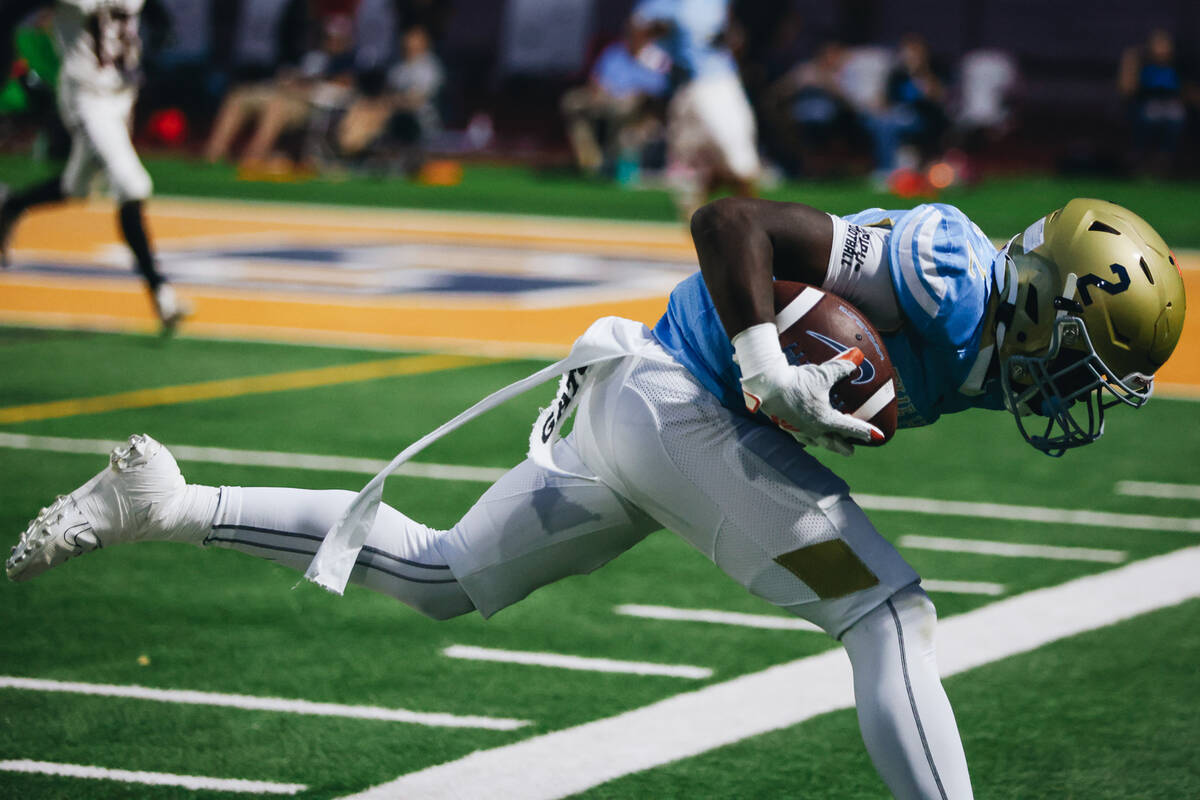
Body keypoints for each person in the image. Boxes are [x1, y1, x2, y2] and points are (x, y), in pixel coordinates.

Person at [7, 197, 1186, 799]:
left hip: (643, 418)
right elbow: (731, 223)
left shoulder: (1005, 327)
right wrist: (768, 356)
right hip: (687, 403)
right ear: (1042, 294)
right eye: (1085, 358)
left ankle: (164, 499)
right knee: (885, 612)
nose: (1078, 391)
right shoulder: (946, 268)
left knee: (442, 575)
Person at [0, 0, 188, 332]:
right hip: (87, 96)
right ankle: (161, 291)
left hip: (122, 93)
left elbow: (155, 14)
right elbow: (11, 12)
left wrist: (161, 30)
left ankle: (10, 204)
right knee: (132, 186)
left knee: (76, 188)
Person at [631, 0, 761, 218]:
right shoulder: (668, 5)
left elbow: (733, 33)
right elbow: (638, 32)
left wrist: (731, 40)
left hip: (721, 83)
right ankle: (750, 222)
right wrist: (658, 64)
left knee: (737, 164)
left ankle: (703, 206)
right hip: (691, 90)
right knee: (731, 163)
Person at [559, 23, 670, 178]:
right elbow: (596, 79)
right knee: (572, 102)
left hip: (637, 105)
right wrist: (599, 92)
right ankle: (590, 160)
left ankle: (611, 162)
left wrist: (631, 94)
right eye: (631, 34)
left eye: (639, 34)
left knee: (623, 108)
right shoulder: (614, 53)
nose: (634, 38)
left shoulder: (656, 57)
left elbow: (658, 89)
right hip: (605, 97)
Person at [1117, 28, 1193, 174]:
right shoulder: (1143, 64)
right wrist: (1130, 61)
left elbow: (1187, 90)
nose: (1162, 49)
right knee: (1150, 117)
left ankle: (1164, 159)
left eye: (1165, 45)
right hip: (1147, 104)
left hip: (1172, 105)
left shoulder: (1178, 66)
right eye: (1158, 44)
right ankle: (1143, 160)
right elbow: (1126, 89)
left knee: (1175, 117)